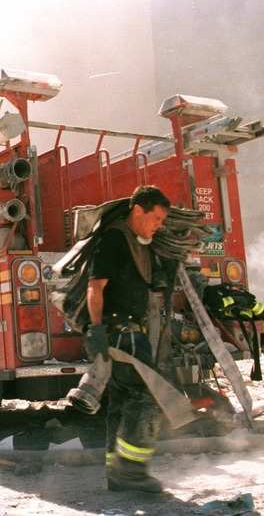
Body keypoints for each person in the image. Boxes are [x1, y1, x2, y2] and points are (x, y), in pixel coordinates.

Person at [85, 185, 170, 493]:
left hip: (128, 330)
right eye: (156, 218)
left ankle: (116, 473)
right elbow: (96, 286)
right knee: (146, 398)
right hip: (121, 332)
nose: (159, 225)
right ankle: (132, 472)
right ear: (138, 211)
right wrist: (96, 329)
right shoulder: (114, 240)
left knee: (120, 403)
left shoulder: (138, 244)